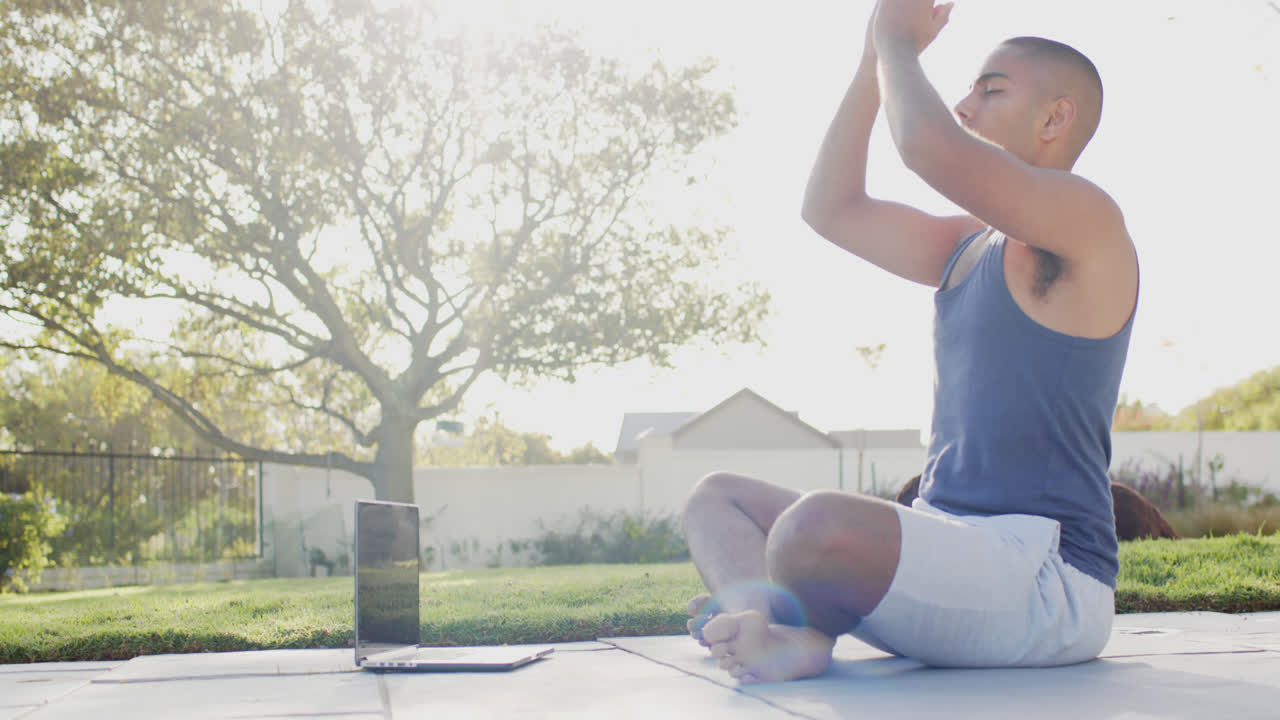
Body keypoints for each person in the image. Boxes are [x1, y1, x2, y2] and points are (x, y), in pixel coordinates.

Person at [680, 0, 1139, 685]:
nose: (963, 105)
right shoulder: (965, 245)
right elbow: (829, 208)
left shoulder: (1088, 223)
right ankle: (776, 628)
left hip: (1047, 580)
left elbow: (925, 147)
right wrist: (876, 54)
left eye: (992, 90)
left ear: (1054, 118)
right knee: (716, 501)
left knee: (811, 529)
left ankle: (800, 618)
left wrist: (898, 42)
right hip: (948, 549)